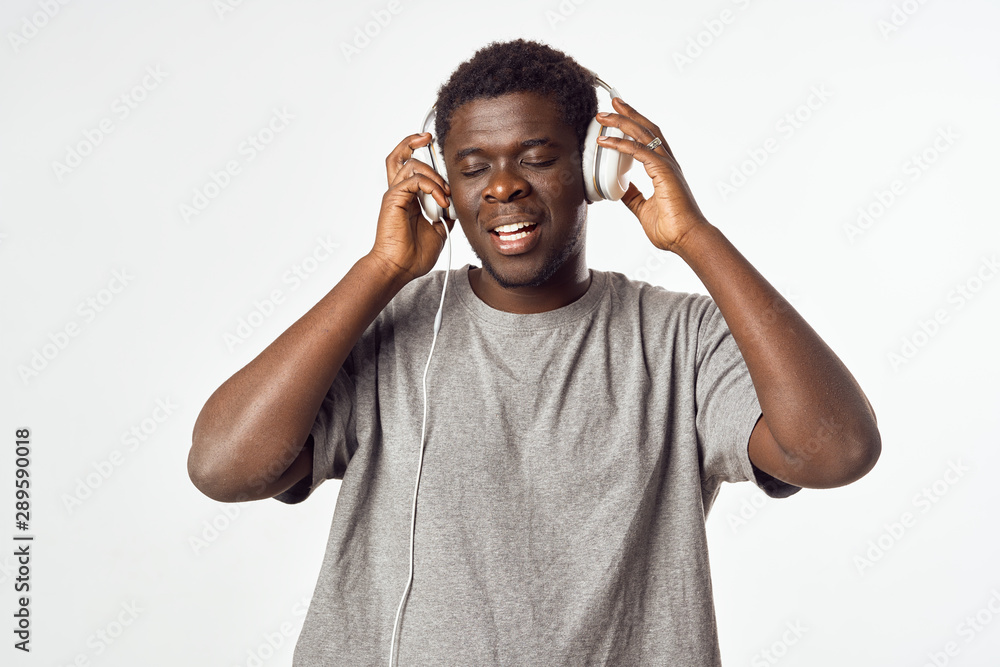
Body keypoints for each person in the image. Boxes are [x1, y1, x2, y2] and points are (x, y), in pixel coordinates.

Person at [188, 39, 880, 666]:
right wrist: (383, 268)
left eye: (538, 158)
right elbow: (222, 466)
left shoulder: (683, 340)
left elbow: (838, 450)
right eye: (472, 168)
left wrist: (693, 236)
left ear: (596, 168)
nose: (502, 186)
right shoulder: (390, 329)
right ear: (443, 186)